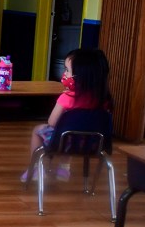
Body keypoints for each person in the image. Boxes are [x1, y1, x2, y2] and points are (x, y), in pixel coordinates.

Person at [22, 48, 111, 182]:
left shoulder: (67, 97)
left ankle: (35, 169)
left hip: (63, 142)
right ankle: (64, 168)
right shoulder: (104, 98)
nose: (65, 74)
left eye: (67, 70)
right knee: (74, 131)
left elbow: (52, 122)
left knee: (41, 130)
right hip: (94, 144)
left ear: (80, 75)